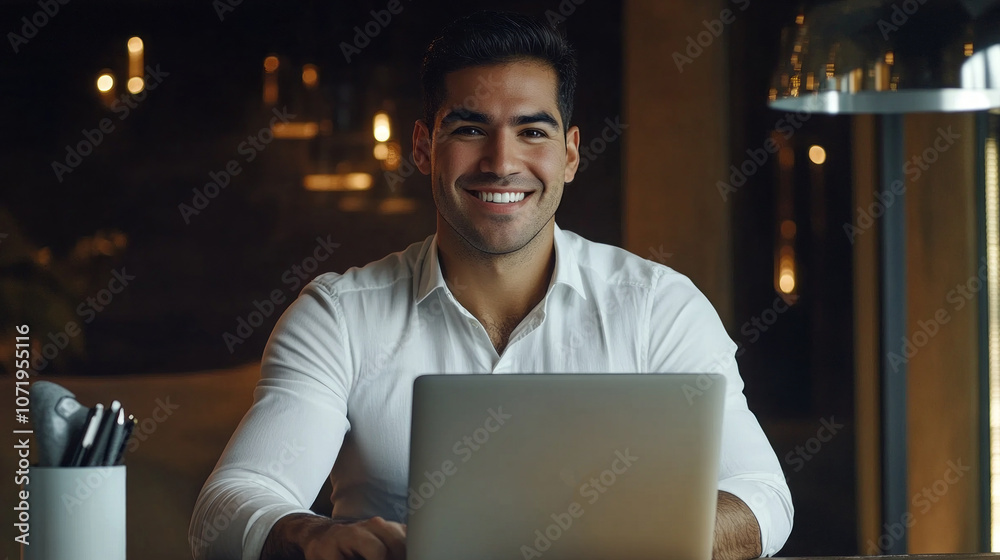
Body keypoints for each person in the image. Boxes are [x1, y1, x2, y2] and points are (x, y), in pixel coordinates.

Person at [189, 10, 793, 560]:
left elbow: (762, 495)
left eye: (532, 132)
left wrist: (641, 540)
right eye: (471, 129)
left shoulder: (660, 306)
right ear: (424, 147)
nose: (501, 162)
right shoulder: (338, 316)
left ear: (570, 155)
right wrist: (312, 535)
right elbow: (229, 506)